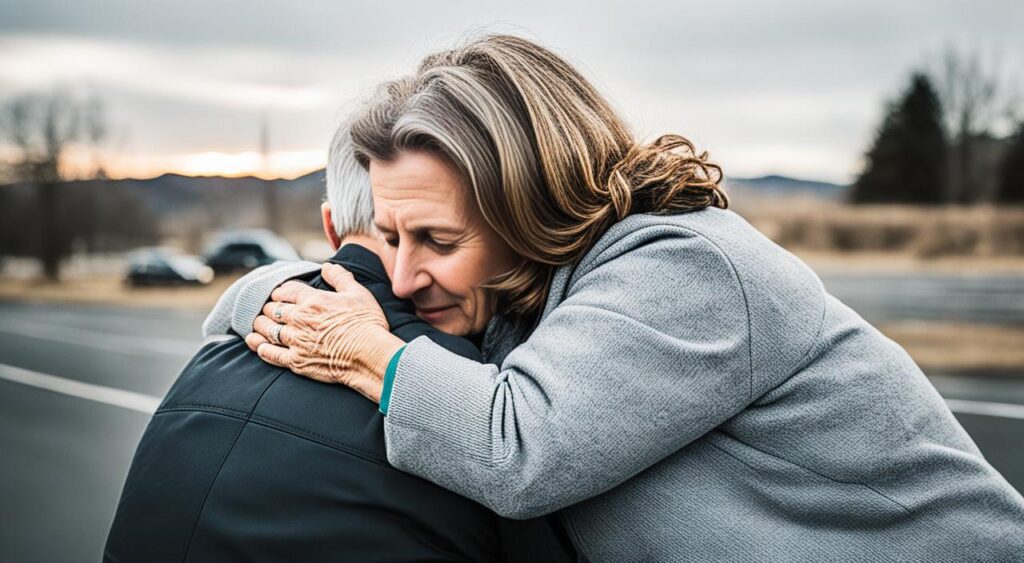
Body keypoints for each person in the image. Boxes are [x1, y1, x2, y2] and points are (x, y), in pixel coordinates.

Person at [209, 34, 1024, 561]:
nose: (406, 272)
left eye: (438, 240)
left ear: (529, 205)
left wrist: (363, 346)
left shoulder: (688, 266)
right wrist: (283, 298)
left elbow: (517, 449)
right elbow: (249, 312)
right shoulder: (518, 297)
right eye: (389, 236)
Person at [103, 121, 573, 562]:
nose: (408, 280)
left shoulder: (210, 359)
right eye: (400, 236)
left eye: (439, 240)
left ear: (330, 228)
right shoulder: (469, 395)